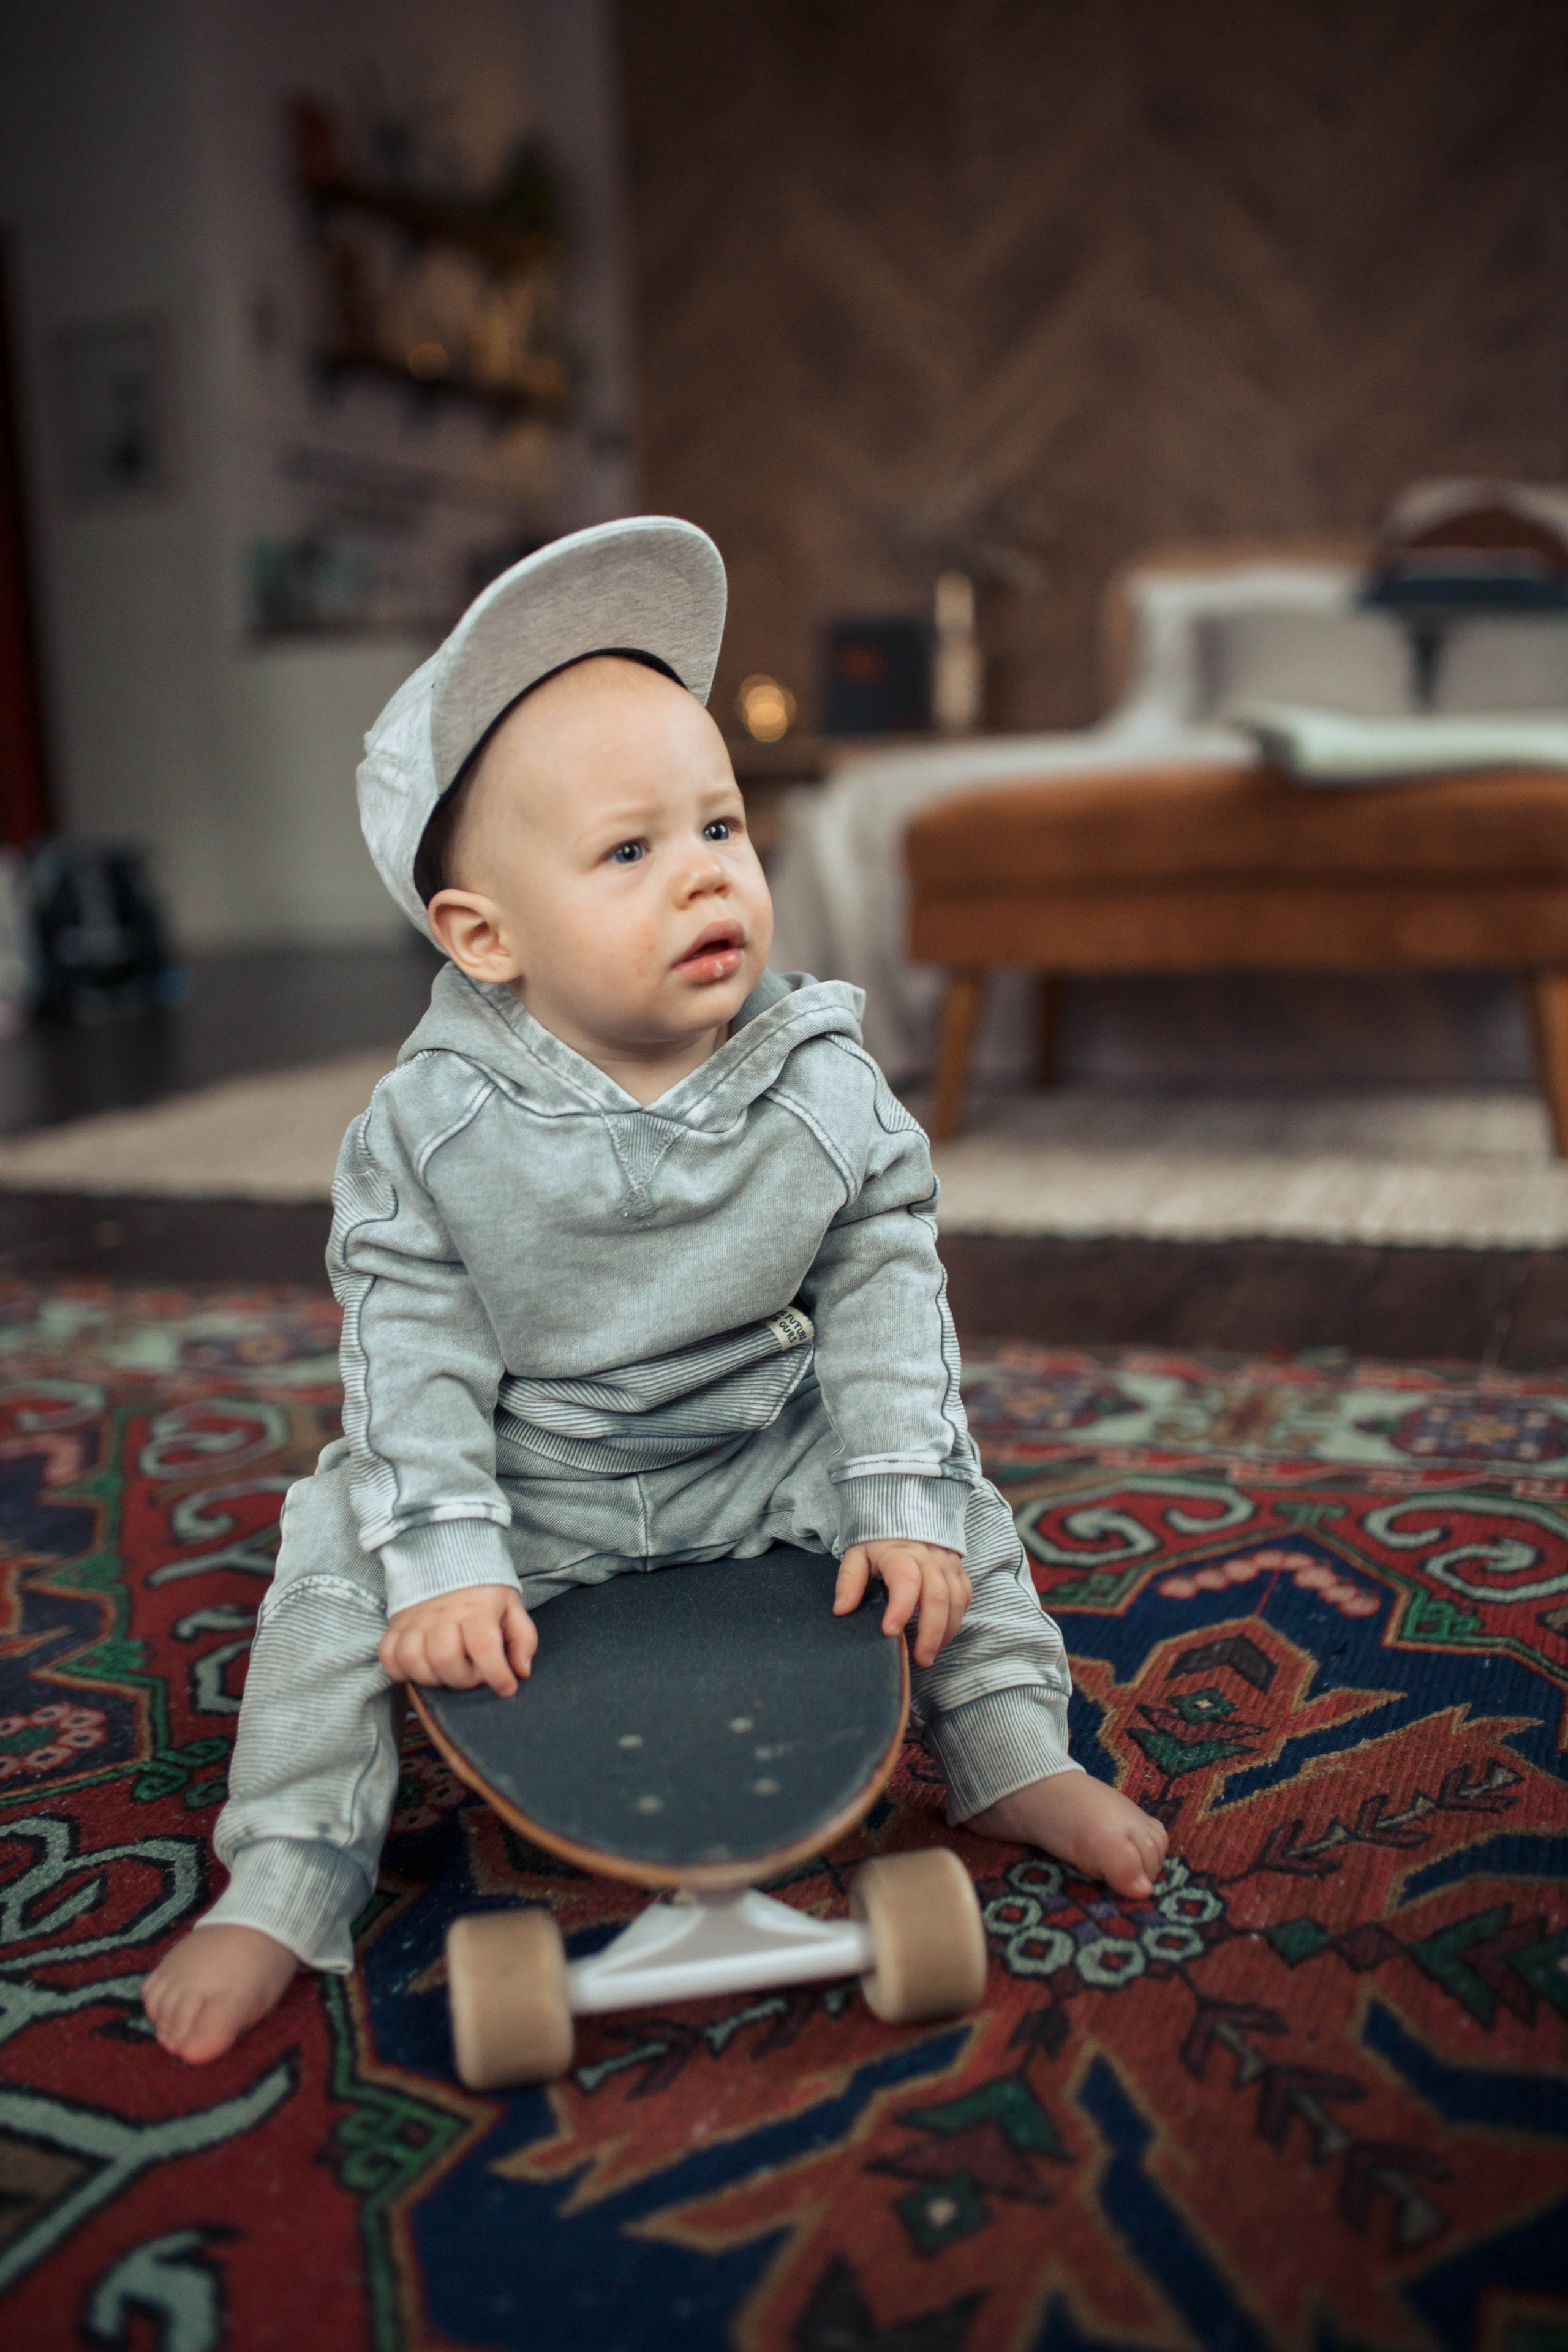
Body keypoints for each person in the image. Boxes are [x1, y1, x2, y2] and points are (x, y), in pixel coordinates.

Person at [143, 518, 1166, 2064]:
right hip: (530, 1475)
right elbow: (406, 1341)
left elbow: (888, 1280)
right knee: (337, 1551)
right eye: (630, 852)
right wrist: (448, 1553)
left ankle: (1013, 1751)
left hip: (753, 1445)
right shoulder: (431, 1129)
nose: (703, 879)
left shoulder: (815, 1074)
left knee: (945, 1490)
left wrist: (888, 1488)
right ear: (484, 937)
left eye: (720, 829)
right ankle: (286, 1874)